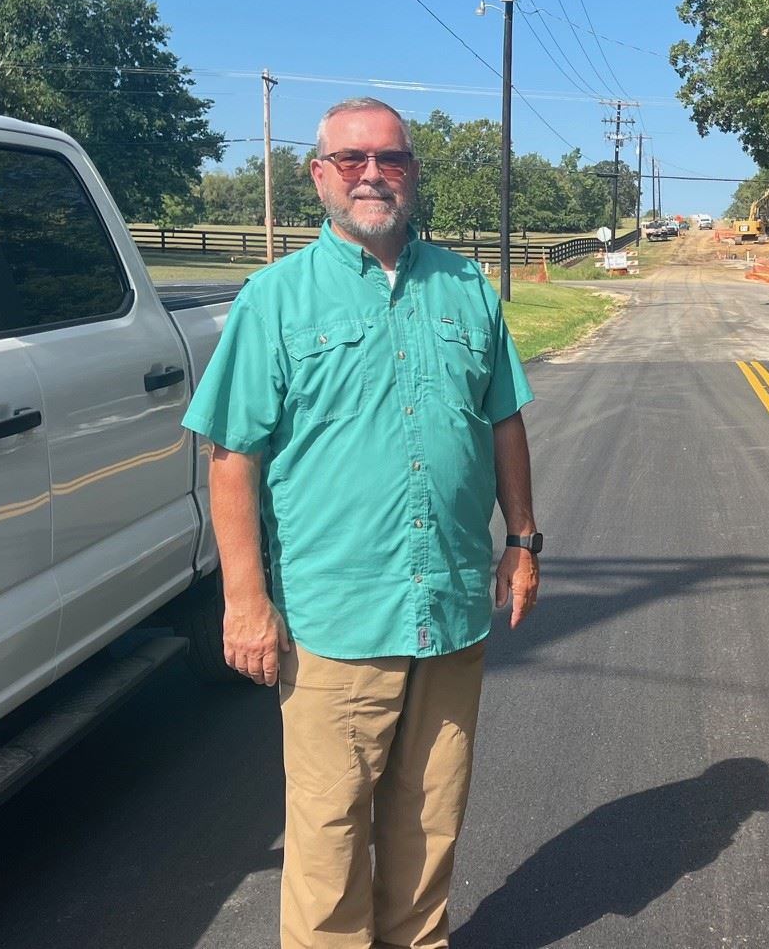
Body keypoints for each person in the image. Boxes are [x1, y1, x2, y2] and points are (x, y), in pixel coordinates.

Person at [181, 96, 542, 949]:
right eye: (351, 160)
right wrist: (244, 600)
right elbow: (231, 456)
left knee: (431, 819)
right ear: (319, 176)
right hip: (334, 618)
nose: (373, 174)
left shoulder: (466, 287)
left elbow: (504, 421)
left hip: (450, 606)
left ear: (414, 173)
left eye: (391, 159)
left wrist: (522, 541)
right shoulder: (274, 300)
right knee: (331, 831)